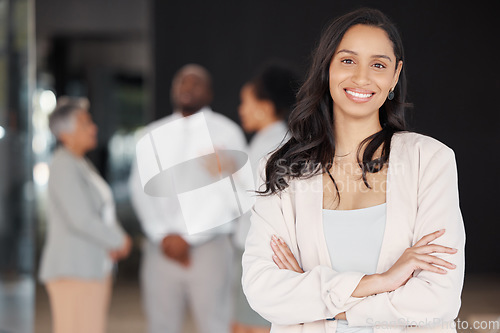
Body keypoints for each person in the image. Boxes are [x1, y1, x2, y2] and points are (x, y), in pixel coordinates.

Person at [242, 8, 465, 333]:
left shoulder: (429, 160)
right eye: (348, 60)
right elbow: (263, 290)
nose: (362, 77)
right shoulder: (282, 169)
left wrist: (326, 305)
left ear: (395, 75)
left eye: (378, 64)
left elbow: (438, 300)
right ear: (326, 68)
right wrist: (381, 282)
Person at [129, 64, 247, 333]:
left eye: (196, 83)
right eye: (181, 82)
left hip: (210, 248)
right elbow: (139, 188)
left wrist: (190, 237)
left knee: (215, 325)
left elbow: (233, 195)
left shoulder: (227, 133)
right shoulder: (152, 133)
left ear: (209, 92)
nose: (187, 88)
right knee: (160, 326)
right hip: (162, 247)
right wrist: (162, 235)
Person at [39, 97, 132, 333]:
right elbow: (81, 218)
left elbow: (103, 212)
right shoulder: (63, 165)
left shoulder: (79, 164)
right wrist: (119, 240)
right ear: (64, 133)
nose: (93, 128)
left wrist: (117, 237)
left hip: (89, 268)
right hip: (73, 270)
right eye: (85, 123)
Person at [233, 63, 299, 333]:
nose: (241, 109)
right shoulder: (275, 139)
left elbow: (253, 199)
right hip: (260, 247)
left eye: (245, 101)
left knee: (252, 326)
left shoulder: (272, 144)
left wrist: (225, 176)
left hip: (260, 249)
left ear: (266, 105)